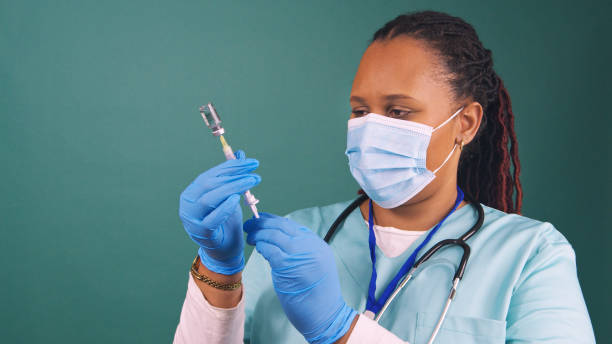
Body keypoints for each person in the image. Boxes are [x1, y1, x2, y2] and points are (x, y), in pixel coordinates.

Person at [173, 10, 595, 344]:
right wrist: (220, 273)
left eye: (397, 111)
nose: (371, 128)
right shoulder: (291, 240)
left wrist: (341, 330)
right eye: (360, 111)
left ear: (465, 123)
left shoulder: (530, 256)